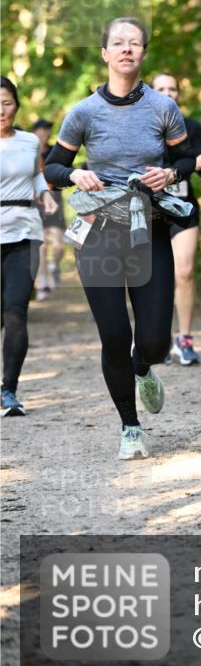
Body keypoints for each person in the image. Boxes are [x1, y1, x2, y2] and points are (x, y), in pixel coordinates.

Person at [44, 18, 195, 460]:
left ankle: (143, 365)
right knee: (113, 334)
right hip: (99, 236)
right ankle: (130, 426)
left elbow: (186, 157)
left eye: (135, 43)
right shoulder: (83, 113)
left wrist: (169, 172)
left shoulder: (162, 108)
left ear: (144, 53)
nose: (127, 49)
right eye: (118, 43)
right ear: (105, 54)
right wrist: (75, 173)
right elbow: (52, 168)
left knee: (155, 341)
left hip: (148, 231)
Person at [1, 77, 59, 416]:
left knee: (16, 311)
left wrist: (46, 196)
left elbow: (36, 177)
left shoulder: (27, 142)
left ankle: (9, 389)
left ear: (16, 105)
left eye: (6, 102)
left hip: (25, 233)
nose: (1, 109)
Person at [152, 73, 201, 365]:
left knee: (184, 272)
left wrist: (200, 162)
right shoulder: (141, 125)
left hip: (184, 206)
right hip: (149, 209)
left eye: (172, 88)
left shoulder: (190, 127)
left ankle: (184, 340)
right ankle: (154, 339)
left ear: (178, 93)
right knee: (152, 277)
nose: (167, 93)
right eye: (160, 88)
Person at [31, 118, 66, 301]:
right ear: (35, 132)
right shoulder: (28, 150)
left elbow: (62, 170)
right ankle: (44, 283)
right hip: (35, 204)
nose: (45, 133)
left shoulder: (54, 151)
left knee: (58, 244)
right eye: (42, 130)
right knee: (42, 246)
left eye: (47, 130)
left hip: (54, 201)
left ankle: (54, 266)